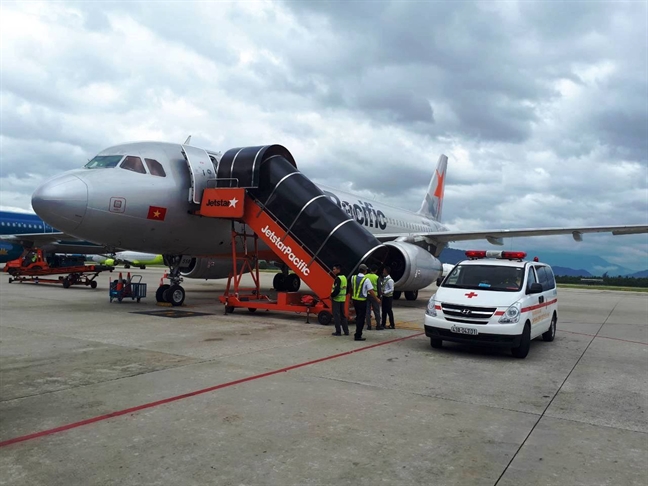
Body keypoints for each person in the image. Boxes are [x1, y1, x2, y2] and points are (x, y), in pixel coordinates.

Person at [350, 263, 380, 341]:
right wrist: (376, 299)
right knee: (361, 318)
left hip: (355, 300)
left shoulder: (353, 277)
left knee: (358, 317)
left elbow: (352, 287)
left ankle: (357, 333)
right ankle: (358, 335)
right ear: (365, 271)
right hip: (362, 301)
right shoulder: (366, 280)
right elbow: (371, 290)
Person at [330, 264, 349, 336]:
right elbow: (347, 289)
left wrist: (332, 296)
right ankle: (346, 331)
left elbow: (337, 290)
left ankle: (338, 331)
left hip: (337, 300)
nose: (333, 270)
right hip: (342, 299)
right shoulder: (344, 278)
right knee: (343, 316)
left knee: (336, 316)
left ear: (338, 270)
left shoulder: (338, 279)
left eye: (334, 269)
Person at [365, 265, 382, 330]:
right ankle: (378, 325)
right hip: (375, 295)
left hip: (367, 295)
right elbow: (379, 288)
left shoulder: (366, 276)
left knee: (367, 311)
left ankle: (369, 326)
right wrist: (379, 297)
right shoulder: (377, 277)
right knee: (376, 311)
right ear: (376, 271)